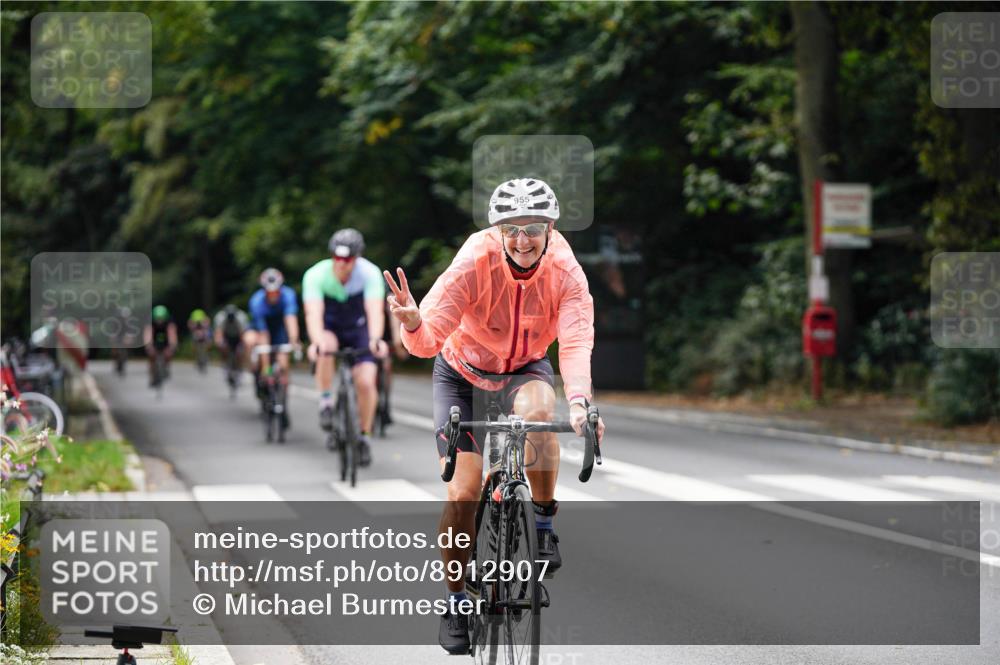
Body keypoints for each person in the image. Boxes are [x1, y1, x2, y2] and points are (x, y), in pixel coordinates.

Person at [384, 177, 606, 654]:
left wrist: (580, 402)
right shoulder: (474, 260)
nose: (522, 240)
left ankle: (542, 525)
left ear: (550, 229)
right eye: (511, 229)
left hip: (523, 370)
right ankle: (456, 601)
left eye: (533, 228)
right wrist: (414, 323)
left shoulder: (565, 271)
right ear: (497, 231)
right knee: (462, 494)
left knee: (541, 412)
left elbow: (574, 342)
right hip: (461, 375)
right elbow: (427, 342)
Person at [302, 228, 387, 467]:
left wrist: (376, 339)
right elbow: (313, 313)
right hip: (330, 326)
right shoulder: (315, 275)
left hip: (358, 327)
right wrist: (316, 341)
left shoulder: (369, 273)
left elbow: (374, 311)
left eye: (347, 259)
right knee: (325, 346)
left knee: (366, 382)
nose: (341, 263)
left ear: (356, 258)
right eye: (337, 258)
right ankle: (326, 402)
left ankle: (364, 436)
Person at [247, 268, 301, 399]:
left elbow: (290, 319)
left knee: (283, 363)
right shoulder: (257, 301)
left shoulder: (288, 295)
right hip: (261, 330)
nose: (273, 295)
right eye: (269, 292)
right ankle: (257, 373)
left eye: (276, 292)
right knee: (250, 341)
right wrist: (266, 366)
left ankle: (283, 393)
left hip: (279, 329)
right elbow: (263, 332)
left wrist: (294, 340)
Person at [144, 305, 178, 387]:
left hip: (166, 339)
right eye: (158, 319)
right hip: (154, 338)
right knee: (151, 356)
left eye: (161, 318)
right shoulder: (150, 321)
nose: (159, 321)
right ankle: (152, 376)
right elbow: (148, 334)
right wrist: (148, 346)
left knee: (168, 353)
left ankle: (166, 366)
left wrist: (172, 346)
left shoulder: (170, 322)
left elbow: (172, 334)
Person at [213, 304, 249, 372]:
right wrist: (219, 343)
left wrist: (242, 344)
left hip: (238, 335)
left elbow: (243, 332)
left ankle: (240, 365)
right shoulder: (220, 317)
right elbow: (218, 332)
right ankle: (225, 361)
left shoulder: (241, 317)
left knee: (240, 350)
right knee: (222, 346)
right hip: (226, 335)